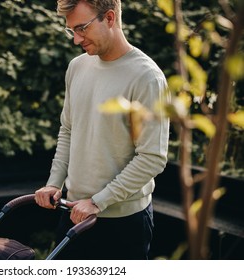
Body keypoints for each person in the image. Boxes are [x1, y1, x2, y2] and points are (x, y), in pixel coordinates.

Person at [35, 0, 170, 260]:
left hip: (123, 225)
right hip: (73, 214)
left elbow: (152, 157)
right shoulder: (77, 67)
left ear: (109, 18)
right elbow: (68, 129)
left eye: (82, 28)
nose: (76, 40)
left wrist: (98, 201)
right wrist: (55, 182)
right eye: (71, 30)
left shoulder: (146, 77)